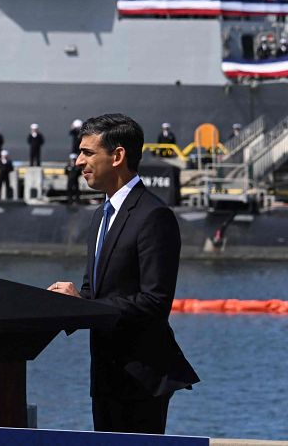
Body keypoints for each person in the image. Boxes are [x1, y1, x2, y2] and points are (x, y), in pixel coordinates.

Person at [47, 113, 199, 434]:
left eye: (88, 153)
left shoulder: (154, 215)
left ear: (117, 156)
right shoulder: (100, 216)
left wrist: (85, 306)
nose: (78, 161)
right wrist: (62, 305)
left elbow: (155, 302)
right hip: (105, 377)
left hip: (141, 381)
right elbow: (94, 293)